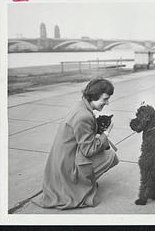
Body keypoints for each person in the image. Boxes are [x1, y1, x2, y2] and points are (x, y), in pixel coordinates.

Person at [34, 78, 119, 210]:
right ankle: (79, 186)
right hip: (66, 169)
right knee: (110, 156)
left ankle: (82, 182)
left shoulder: (80, 105)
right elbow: (88, 150)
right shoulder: (84, 116)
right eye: (105, 99)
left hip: (60, 162)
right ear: (94, 96)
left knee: (105, 149)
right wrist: (106, 134)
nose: (108, 103)